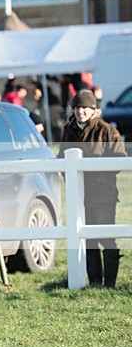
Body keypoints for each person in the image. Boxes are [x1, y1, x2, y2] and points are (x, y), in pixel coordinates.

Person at [58, 90, 126, 287]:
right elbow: (62, 158)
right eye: (77, 107)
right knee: (87, 240)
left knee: (106, 238)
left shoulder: (107, 131)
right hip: (80, 196)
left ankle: (110, 284)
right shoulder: (68, 130)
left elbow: (119, 159)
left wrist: (99, 177)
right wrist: (69, 179)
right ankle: (95, 283)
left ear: (93, 110)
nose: (81, 111)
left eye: (85, 108)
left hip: (104, 195)